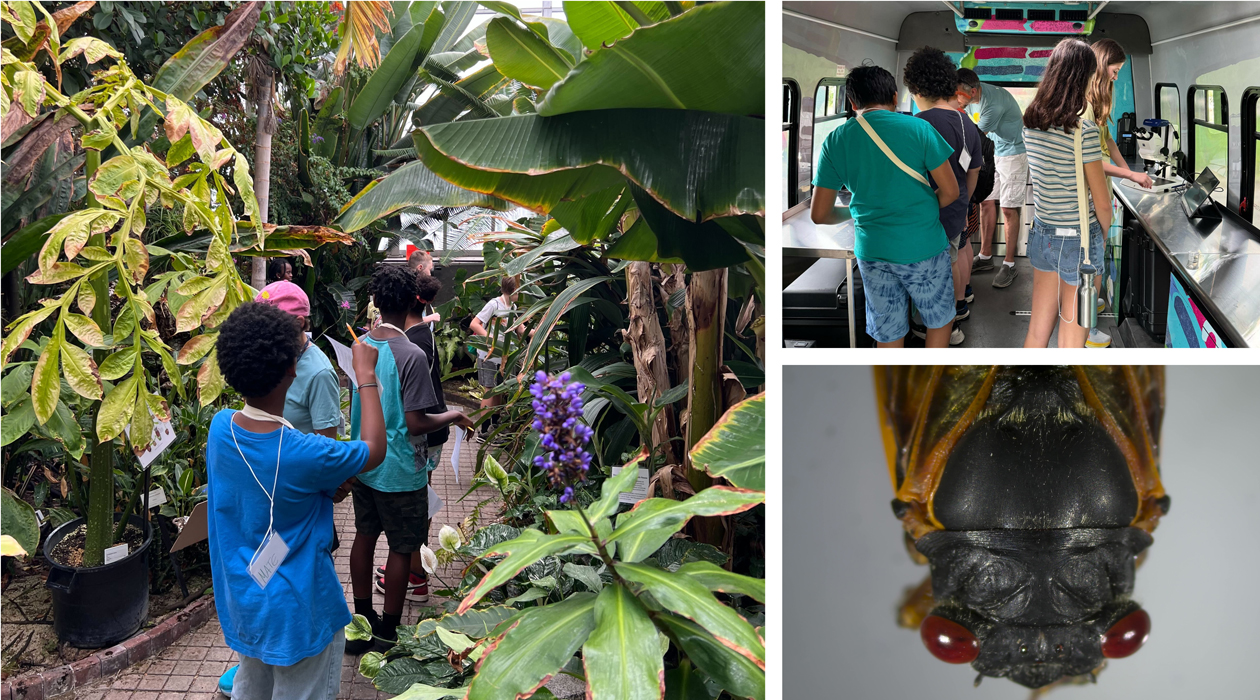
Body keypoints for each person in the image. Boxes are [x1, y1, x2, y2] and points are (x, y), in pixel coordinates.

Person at [206, 302, 387, 700]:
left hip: (247, 600)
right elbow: (374, 449)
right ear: (292, 368)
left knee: (251, 687)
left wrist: (322, 489)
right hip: (301, 611)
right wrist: (365, 376)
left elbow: (269, 488)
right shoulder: (305, 453)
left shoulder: (220, 429)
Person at [216, 282, 345, 697]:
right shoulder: (231, 420)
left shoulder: (318, 373)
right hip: (268, 514)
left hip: (295, 506)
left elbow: (328, 448)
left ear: (301, 325)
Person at [346, 265, 474, 655]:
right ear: (411, 302)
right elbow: (417, 423)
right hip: (401, 469)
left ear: (376, 302)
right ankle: (388, 632)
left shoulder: (360, 348)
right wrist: (454, 414)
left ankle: (360, 624)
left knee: (364, 537)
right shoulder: (411, 354)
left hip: (364, 464)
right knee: (402, 548)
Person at [810, 64, 959, 348]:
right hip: (924, 246)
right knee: (938, 319)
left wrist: (859, 212)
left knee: (888, 330)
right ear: (894, 97)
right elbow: (951, 192)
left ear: (853, 103)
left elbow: (819, 214)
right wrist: (921, 210)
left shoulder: (835, 140)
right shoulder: (919, 129)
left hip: (873, 251)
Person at [1021, 38, 1112, 348]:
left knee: (1037, 331)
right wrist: (1102, 235)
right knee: (1072, 340)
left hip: (1042, 233)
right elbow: (1102, 203)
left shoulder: (1030, 124)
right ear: (1082, 78)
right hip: (1079, 240)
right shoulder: (1083, 132)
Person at [372, 272, 450, 603]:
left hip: (425, 433)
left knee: (419, 503)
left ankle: (415, 574)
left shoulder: (413, 343)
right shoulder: (417, 335)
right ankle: (413, 566)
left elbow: (412, 413)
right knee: (421, 500)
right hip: (427, 431)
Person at [904, 47, 983, 345]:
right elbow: (974, 171)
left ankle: (934, 325)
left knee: (929, 274)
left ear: (915, 88)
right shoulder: (967, 124)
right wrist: (963, 202)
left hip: (925, 214)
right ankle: (952, 319)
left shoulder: (917, 124)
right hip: (956, 208)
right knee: (951, 261)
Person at [1081, 38, 1154, 348]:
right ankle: (1087, 330)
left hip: (1103, 187)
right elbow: (1089, 160)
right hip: (1090, 192)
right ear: (1102, 65)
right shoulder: (1084, 105)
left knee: (1096, 256)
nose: (1117, 75)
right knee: (1093, 261)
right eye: (1115, 69)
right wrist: (1129, 174)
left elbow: (1107, 141)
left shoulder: (1098, 102)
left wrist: (1129, 174)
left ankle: (1090, 305)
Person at [957, 68, 1025, 289]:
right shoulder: (972, 97)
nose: (957, 99)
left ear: (972, 91)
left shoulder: (992, 103)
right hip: (993, 151)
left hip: (1013, 153)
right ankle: (986, 256)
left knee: (1008, 208)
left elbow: (973, 139)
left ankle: (1010, 264)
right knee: (985, 202)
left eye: (959, 95)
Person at [470, 276, 522, 406]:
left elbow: (520, 329)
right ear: (514, 290)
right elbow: (474, 324)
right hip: (489, 354)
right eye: (519, 289)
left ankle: (495, 417)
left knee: (499, 389)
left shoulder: (513, 306)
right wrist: (492, 341)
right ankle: (484, 420)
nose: (521, 293)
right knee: (489, 389)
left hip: (503, 355)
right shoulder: (494, 305)